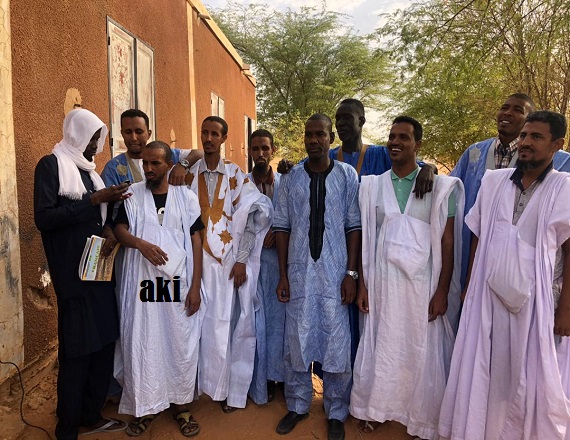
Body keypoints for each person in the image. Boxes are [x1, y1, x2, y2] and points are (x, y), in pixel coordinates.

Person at [439, 111, 570, 439]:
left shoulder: (564, 188)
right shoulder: (494, 182)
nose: (525, 142)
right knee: (484, 370)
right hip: (487, 297)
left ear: (557, 145)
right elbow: (478, 236)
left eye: (536, 137)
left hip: (537, 305)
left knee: (526, 378)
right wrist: (470, 286)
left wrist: (565, 310)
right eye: (524, 135)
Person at [350, 116, 464, 438]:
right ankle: (377, 408)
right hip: (383, 284)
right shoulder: (372, 186)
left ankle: (421, 419)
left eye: (403, 137)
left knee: (419, 350)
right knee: (384, 345)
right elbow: (368, 240)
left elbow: (447, 242)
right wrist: (363, 285)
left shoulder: (439, 188)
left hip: (422, 288)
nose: (395, 142)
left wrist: (442, 291)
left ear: (418, 144)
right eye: (391, 136)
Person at [34, 108, 129, 439]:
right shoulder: (51, 166)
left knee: (103, 343)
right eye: (91, 139)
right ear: (76, 134)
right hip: (72, 276)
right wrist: (93, 200)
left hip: (99, 270)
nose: (95, 146)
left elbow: (99, 216)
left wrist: (110, 216)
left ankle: (91, 414)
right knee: (77, 350)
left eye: (98, 139)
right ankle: (68, 426)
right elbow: (45, 218)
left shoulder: (90, 173)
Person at [273, 114, 361, 440]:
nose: (314, 140)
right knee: (296, 338)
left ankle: (335, 410)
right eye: (309, 135)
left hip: (335, 273)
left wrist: (351, 273)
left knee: (336, 340)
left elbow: (354, 226)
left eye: (320, 134)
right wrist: (283, 275)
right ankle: (298, 405)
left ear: (330, 138)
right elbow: (282, 226)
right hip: (299, 273)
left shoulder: (347, 175)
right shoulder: (291, 178)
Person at [331, 98, 436, 367]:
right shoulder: (330, 157)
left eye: (347, 118)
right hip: (336, 250)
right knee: (339, 318)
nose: (341, 124)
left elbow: (414, 163)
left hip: (370, 251)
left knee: (368, 319)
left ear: (362, 121)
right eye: (338, 119)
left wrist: (429, 168)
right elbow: (305, 167)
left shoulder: (379, 154)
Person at [113, 141, 204, 437]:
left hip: (176, 283)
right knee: (145, 340)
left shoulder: (186, 197)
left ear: (168, 165)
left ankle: (181, 405)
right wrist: (140, 244)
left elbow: (196, 240)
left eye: (155, 163)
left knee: (177, 340)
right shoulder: (133, 195)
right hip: (143, 284)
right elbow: (120, 230)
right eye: (145, 163)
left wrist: (195, 286)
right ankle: (147, 405)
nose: (149, 169)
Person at [185, 116, 273, 412]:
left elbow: (252, 216)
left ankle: (225, 390)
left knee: (226, 326)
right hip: (193, 262)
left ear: (224, 138)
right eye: (204, 133)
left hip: (226, 264)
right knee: (195, 325)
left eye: (215, 134)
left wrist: (242, 260)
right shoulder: (188, 174)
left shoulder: (236, 175)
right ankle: (192, 388)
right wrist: (182, 163)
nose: (208, 138)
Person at [451, 94, 570, 287]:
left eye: (517, 110)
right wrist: (426, 168)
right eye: (504, 107)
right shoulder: (474, 152)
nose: (507, 113)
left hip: (530, 277)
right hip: (475, 259)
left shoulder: (560, 160)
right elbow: (450, 189)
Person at [246, 129, 286, 405]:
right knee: (255, 323)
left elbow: (296, 217)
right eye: (255, 148)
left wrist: (279, 231)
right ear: (249, 151)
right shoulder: (242, 185)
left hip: (280, 266)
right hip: (252, 265)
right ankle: (260, 381)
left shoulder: (285, 182)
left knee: (279, 324)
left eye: (265, 148)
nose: (260, 153)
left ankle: (281, 377)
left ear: (273, 150)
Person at [101, 108, 202, 187]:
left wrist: (182, 165)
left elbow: (200, 153)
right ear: (122, 133)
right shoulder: (113, 168)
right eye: (128, 132)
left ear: (149, 134)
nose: (133, 138)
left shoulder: (165, 155)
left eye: (139, 132)